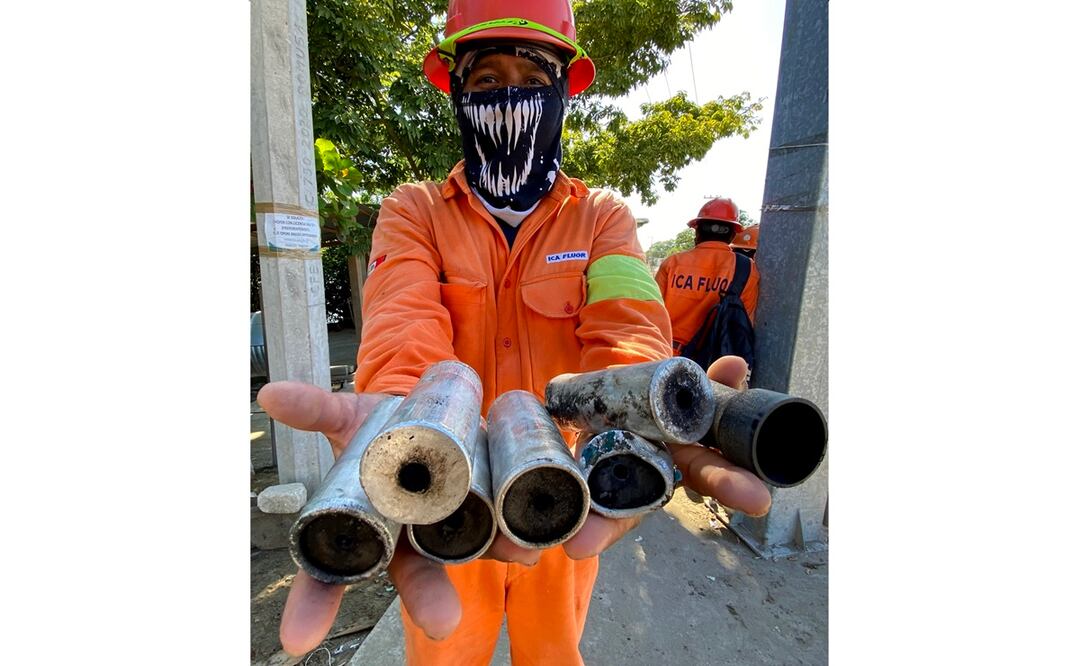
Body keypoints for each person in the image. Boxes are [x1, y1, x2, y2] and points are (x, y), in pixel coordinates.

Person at [258, 3, 771, 664]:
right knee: (444, 651)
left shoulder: (601, 221)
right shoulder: (413, 213)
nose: (507, 96)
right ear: (456, 92)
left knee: (553, 652)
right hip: (445, 494)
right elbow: (400, 328)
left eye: (530, 74)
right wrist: (399, 431)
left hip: (558, 489)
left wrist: (647, 409)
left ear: (564, 87)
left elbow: (627, 331)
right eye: (485, 81)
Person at [655, 197, 761, 358]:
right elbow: (743, 324)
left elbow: (652, 314)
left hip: (665, 355)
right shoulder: (747, 269)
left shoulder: (673, 263)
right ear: (733, 234)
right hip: (713, 363)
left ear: (697, 230)